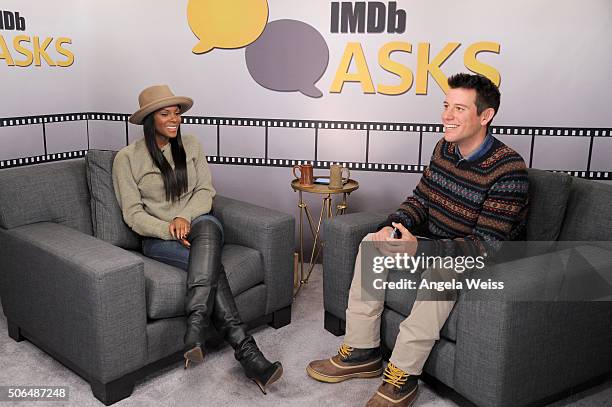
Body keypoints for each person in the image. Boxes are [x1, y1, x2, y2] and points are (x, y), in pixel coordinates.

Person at [306, 73, 529, 406]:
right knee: (371, 245)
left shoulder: (508, 170)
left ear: (486, 116)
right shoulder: (444, 148)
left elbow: (487, 246)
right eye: (445, 106)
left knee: (442, 271)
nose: (446, 116)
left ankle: (403, 376)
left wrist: (420, 249)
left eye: (459, 109)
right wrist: (392, 226)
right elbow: (421, 199)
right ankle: (363, 351)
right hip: (434, 245)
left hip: (478, 261)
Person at [112, 84, 283, 394]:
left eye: (176, 113)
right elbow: (133, 214)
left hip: (199, 226)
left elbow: (205, 192)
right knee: (211, 267)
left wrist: (185, 218)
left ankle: (196, 325)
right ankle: (249, 355)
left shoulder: (191, 145)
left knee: (210, 226)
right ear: (151, 119)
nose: (174, 119)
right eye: (166, 114)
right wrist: (170, 228)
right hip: (159, 239)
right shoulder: (127, 158)